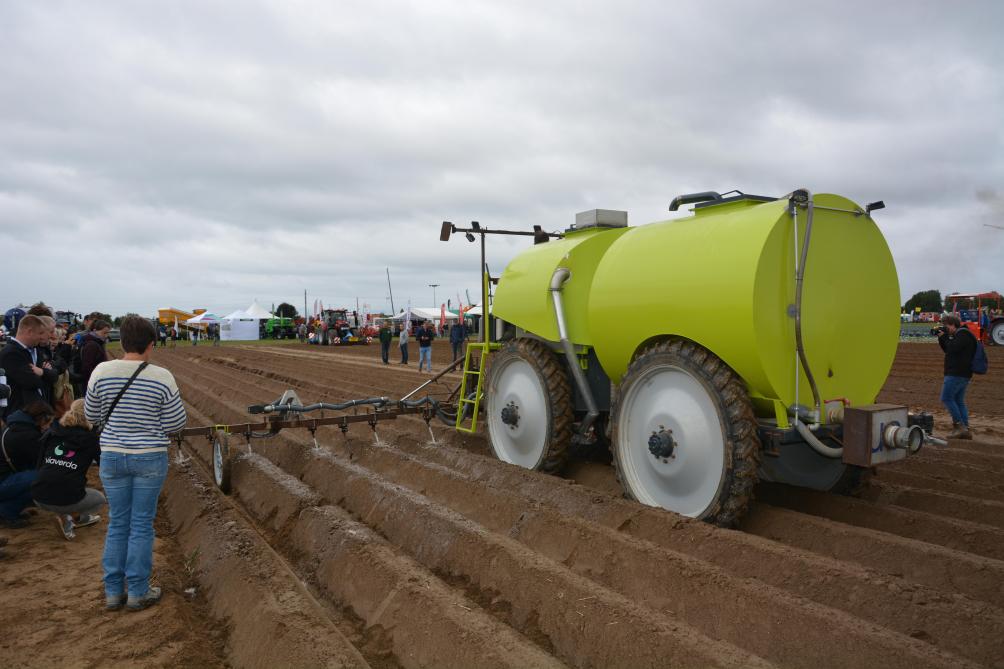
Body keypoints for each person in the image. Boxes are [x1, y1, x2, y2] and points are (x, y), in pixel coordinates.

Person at [85, 315, 187, 611]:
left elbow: (91, 416)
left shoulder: (101, 372)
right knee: (141, 525)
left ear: (120, 341)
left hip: (113, 456)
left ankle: (113, 592)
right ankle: (139, 592)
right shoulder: (162, 376)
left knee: (118, 522)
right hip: (149, 457)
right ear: (151, 344)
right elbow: (175, 423)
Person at [32, 399, 105, 540]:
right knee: (99, 499)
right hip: (65, 495)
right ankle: (69, 518)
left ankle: (75, 516)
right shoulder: (91, 440)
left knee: (69, 482)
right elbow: (105, 466)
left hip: (38, 494)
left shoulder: (52, 432)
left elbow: (39, 463)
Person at [0, 401, 54, 527]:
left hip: (5, 479)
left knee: (36, 476)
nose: (49, 426)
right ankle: (6, 512)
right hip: (3, 482)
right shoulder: (27, 435)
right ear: (41, 418)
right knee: (43, 478)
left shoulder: (15, 427)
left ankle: (7, 509)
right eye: (48, 422)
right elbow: (43, 461)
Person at [0, 314, 52, 419]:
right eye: (40, 333)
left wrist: (42, 373)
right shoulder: (10, 353)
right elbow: (31, 382)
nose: (42, 337)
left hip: (35, 412)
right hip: (18, 414)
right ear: (29, 332)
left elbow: (54, 372)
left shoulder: (35, 350)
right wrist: (46, 374)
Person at [936, 314, 977, 440]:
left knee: (947, 398)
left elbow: (952, 349)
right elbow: (948, 350)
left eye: (946, 326)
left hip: (956, 373)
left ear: (953, 324)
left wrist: (944, 337)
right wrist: (941, 338)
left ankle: (959, 427)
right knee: (958, 400)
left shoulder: (963, 334)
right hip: (962, 374)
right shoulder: (960, 335)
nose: (945, 328)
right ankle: (965, 428)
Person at [79, 320, 111, 392]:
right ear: (95, 330)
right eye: (104, 333)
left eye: (108, 333)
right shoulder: (92, 345)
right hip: (92, 384)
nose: (106, 336)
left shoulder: (98, 343)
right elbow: (87, 367)